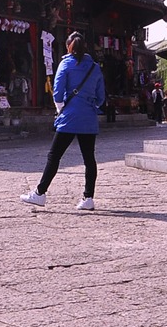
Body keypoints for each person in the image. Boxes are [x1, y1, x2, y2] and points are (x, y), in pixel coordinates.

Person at [20, 32, 105, 211]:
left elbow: (57, 93)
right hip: (88, 118)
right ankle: (88, 198)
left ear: (68, 47)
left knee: (54, 156)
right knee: (89, 159)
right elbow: (100, 97)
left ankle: (40, 193)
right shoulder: (95, 67)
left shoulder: (65, 64)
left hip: (70, 117)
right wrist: (89, 105)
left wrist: (61, 110)